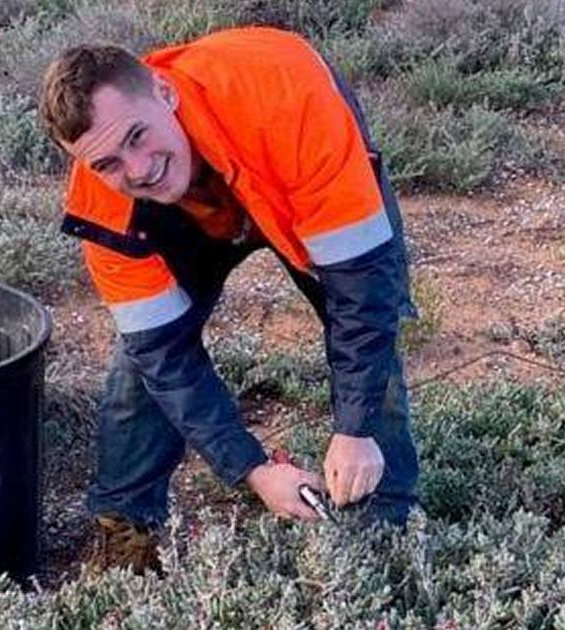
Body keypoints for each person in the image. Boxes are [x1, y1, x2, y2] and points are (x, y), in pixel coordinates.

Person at [38, 26, 419, 574]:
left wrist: (353, 429)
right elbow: (163, 359)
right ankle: (127, 526)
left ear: (164, 94)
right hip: (191, 216)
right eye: (107, 163)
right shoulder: (105, 214)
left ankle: (388, 531)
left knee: (366, 327)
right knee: (138, 368)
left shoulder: (292, 103)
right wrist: (253, 470)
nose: (137, 169)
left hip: (282, 160)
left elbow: (363, 290)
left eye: (138, 136)